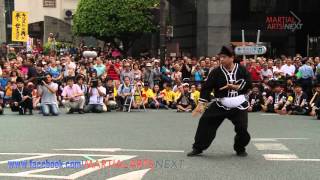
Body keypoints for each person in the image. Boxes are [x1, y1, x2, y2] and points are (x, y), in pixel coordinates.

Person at [188, 45, 252, 157]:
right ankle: (198, 147)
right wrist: (201, 103)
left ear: (232, 58)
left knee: (242, 129)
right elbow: (207, 87)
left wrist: (236, 87)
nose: (221, 59)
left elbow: (249, 83)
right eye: (220, 57)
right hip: (221, 103)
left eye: (224, 57)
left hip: (239, 105)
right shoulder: (216, 72)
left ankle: (240, 148)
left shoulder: (242, 69)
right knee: (205, 122)